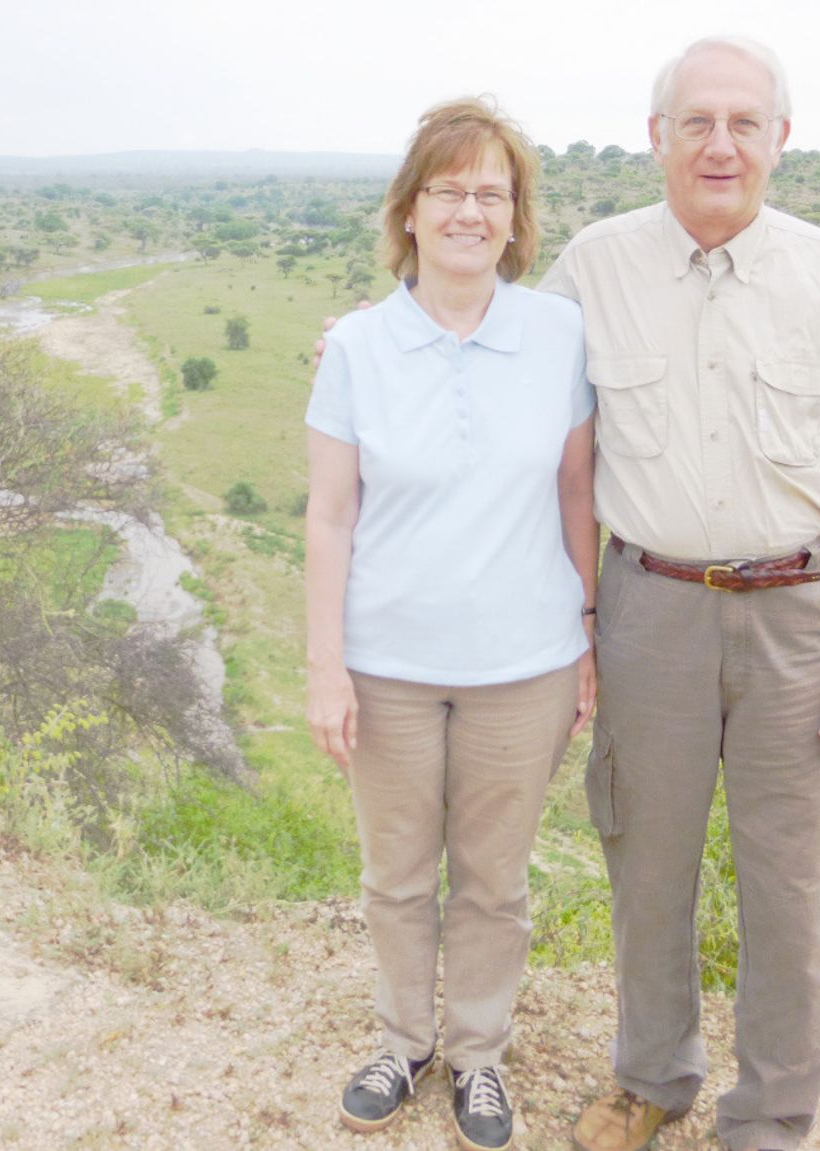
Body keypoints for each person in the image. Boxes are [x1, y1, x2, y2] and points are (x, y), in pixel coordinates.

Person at [538, 36, 820, 1151]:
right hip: (647, 605)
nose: (721, 144)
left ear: (781, 140)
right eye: (696, 122)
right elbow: (519, 395)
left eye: (744, 123)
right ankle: (651, 1079)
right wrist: (376, 341)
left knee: (790, 890)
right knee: (646, 867)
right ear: (655, 136)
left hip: (801, 614)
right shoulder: (594, 265)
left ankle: (769, 1118)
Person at [304, 97, 598, 1151]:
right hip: (385, 663)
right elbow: (331, 514)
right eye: (449, 189)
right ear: (412, 210)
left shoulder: (557, 332)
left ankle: (477, 1053)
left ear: (514, 216)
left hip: (525, 661)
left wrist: (591, 633)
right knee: (394, 870)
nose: (471, 209)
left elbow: (577, 491)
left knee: (494, 876)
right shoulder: (359, 347)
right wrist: (325, 664)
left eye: (492, 192)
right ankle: (401, 1038)